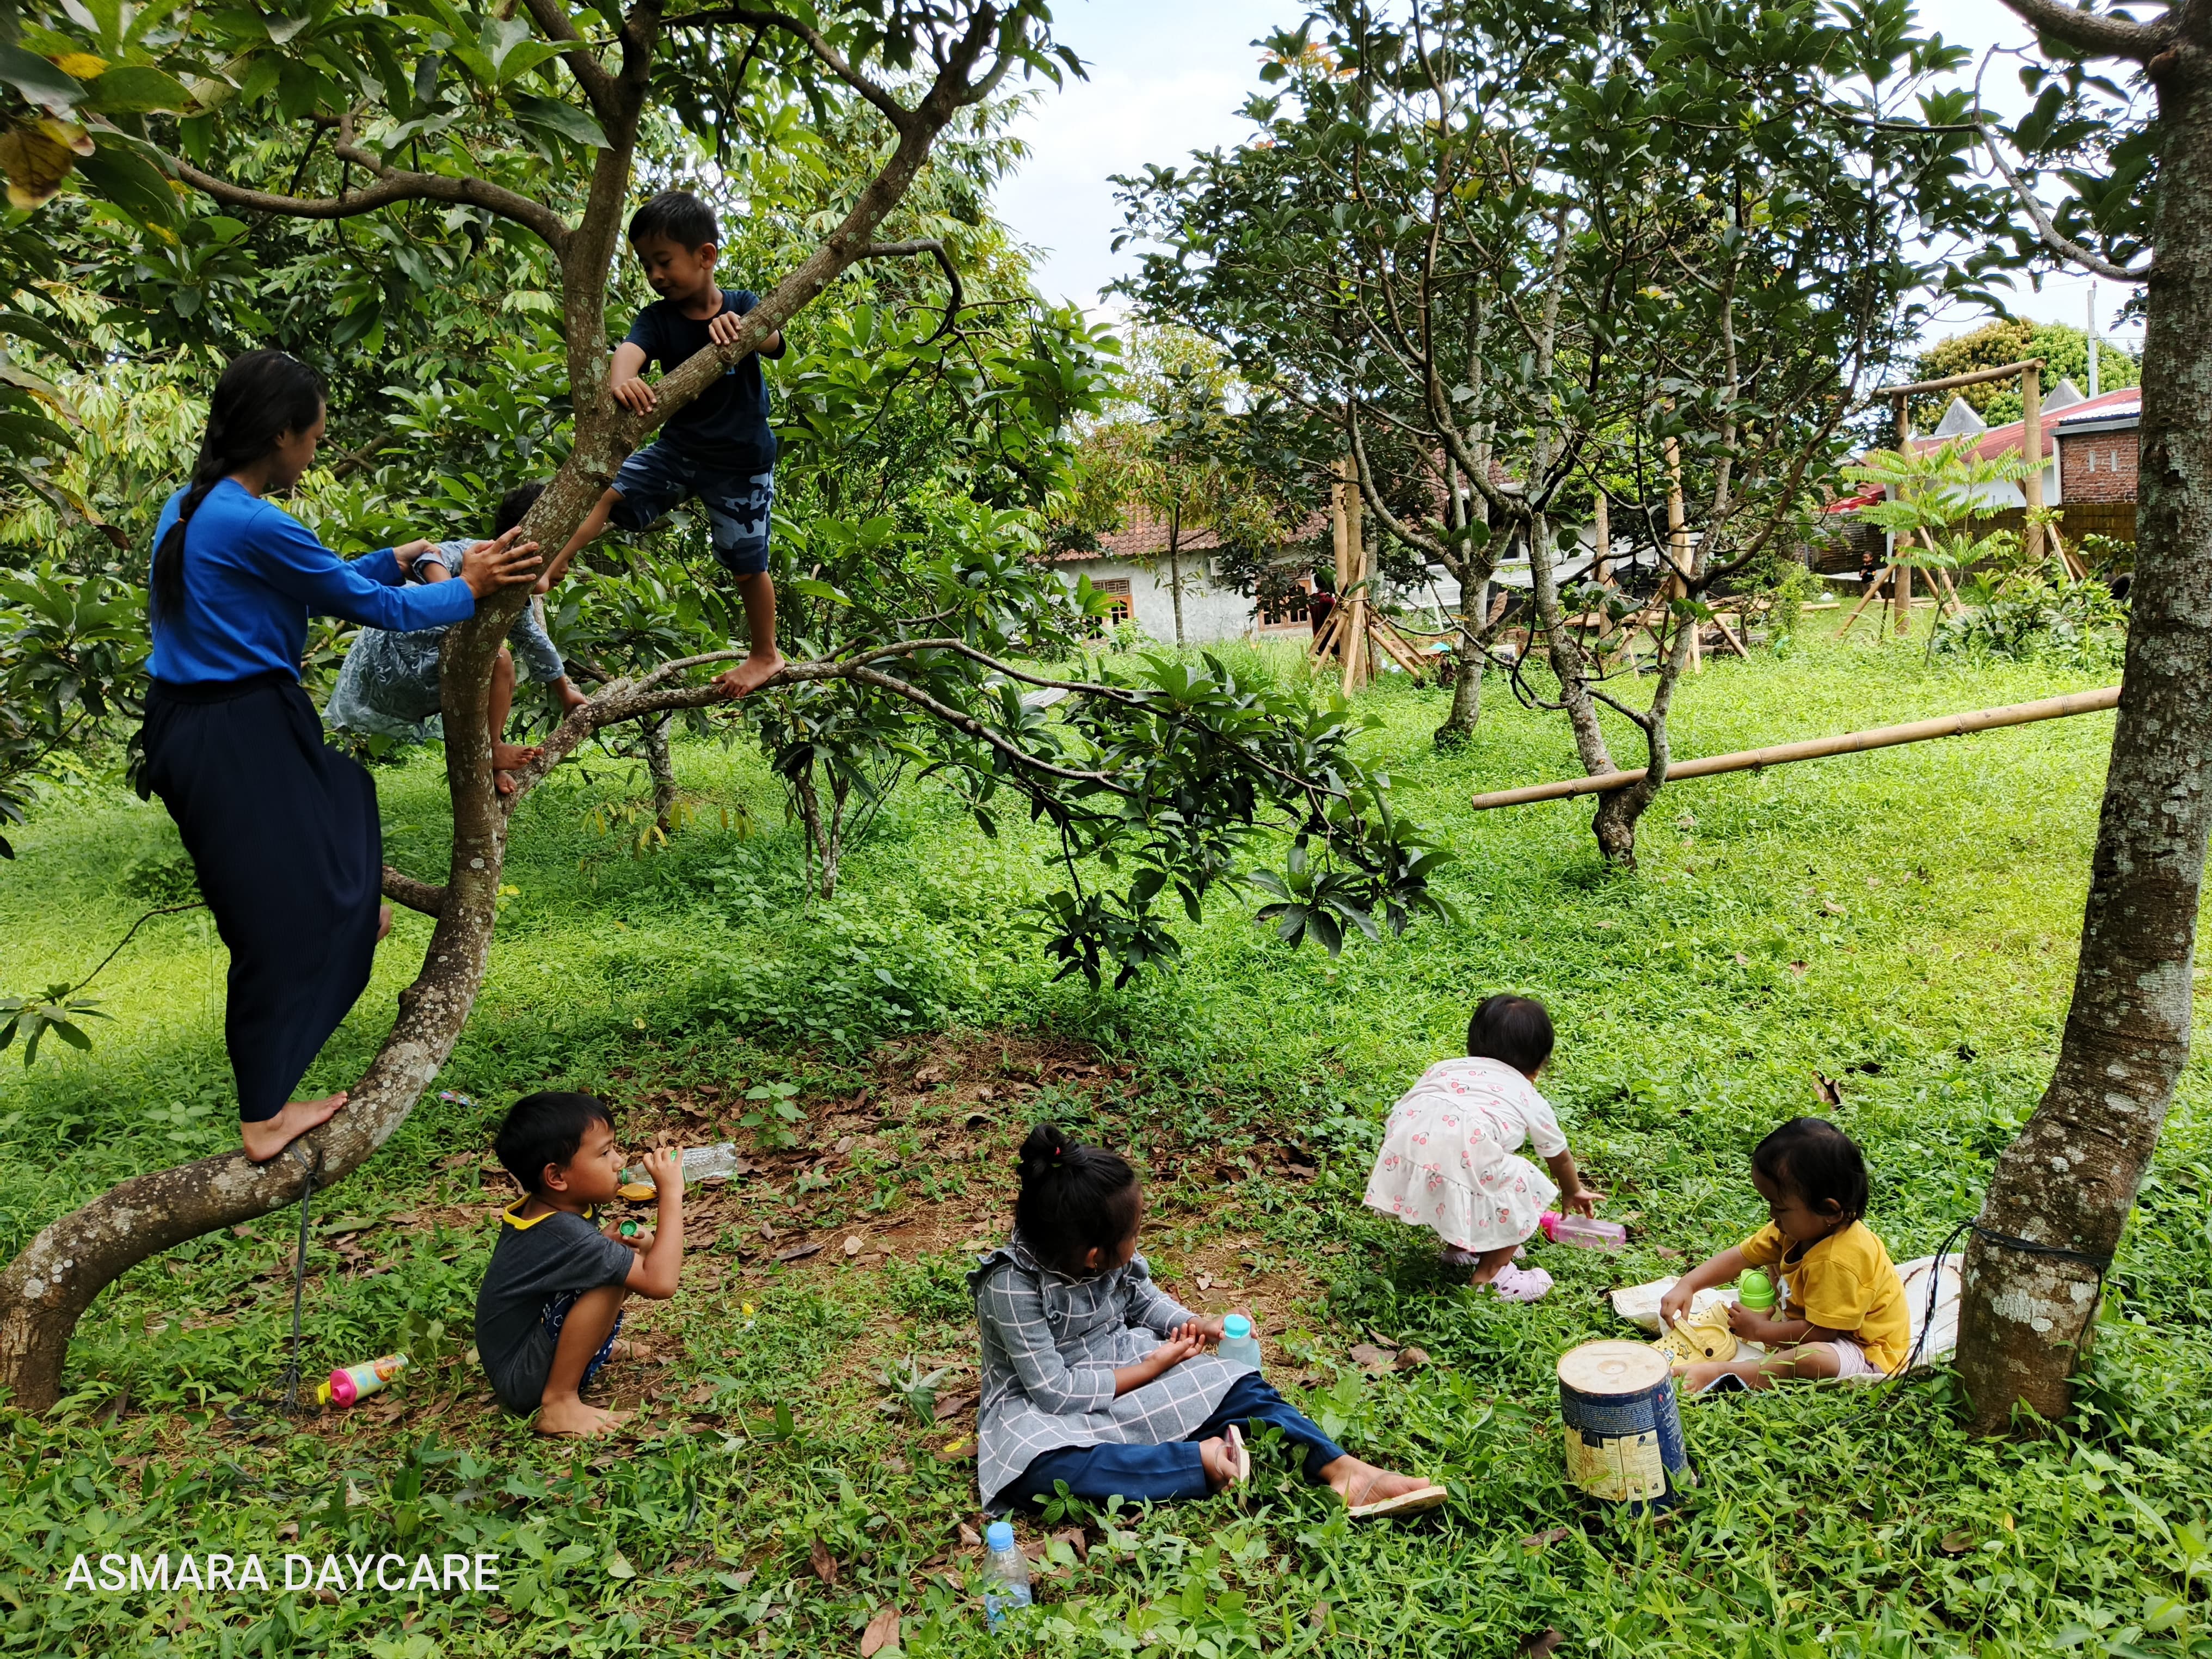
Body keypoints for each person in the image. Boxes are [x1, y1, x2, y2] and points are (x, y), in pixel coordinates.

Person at [139, 349, 540, 1163]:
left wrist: (383, 558)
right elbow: (380, 610)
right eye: (315, 435)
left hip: (210, 722)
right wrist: (473, 581)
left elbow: (310, 582)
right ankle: (264, 1117)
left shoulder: (193, 507)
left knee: (346, 793)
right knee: (270, 928)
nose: (318, 449)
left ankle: (349, 918)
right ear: (283, 434)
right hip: (237, 730)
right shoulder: (252, 519)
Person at [970, 1123, 1447, 1519]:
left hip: (1124, 1359)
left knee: (1238, 1386)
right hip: (1040, 1404)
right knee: (1036, 1469)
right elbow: (1052, 1391)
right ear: (1095, 1256)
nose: (1139, 1241)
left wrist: (1200, 1321)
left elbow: (1143, 1301)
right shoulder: (1011, 1286)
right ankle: (1197, 1460)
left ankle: (1345, 1471)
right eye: (1135, 1234)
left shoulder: (1095, 1251)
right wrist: (1154, 1368)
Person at [538, 189, 787, 699]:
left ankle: (765, 653)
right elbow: (630, 350)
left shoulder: (741, 305)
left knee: (747, 564)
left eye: (664, 261)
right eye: (646, 265)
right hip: (678, 452)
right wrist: (621, 380)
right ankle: (554, 559)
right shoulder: (657, 318)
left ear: (706, 255)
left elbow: (774, 341)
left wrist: (744, 330)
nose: (655, 275)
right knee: (605, 491)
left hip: (741, 464)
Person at [325, 483, 590, 792]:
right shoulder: (480, 553)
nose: (567, 569)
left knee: (493, 668)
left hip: (423, 674)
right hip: (395, 656)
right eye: (564, 555)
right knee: (498, 659)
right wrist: (458, 592)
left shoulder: (515, 594)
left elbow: (534, 640)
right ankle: (493, 746)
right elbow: (424, 557)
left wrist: (565, 692)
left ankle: (488, 759)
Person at [474, 1091, 688, 1435]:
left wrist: (636, 1243)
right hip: (522, 1377)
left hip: (525, 1352)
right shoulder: (563, 1231)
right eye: (604, 1153)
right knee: (612, 1272)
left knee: (615, 1256)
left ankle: (592, 1346)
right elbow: (661, 1283)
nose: (619, 1162)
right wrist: (671, 1194)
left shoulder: (553, 1208)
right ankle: (559, 1403)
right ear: (557, 1177)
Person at [1363, 993, 1603, 1300]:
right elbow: (1558, 1155)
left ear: (1473, 1045)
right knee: (1520, 1181)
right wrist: (1572, 1191)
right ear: (1539, 1064)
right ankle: (1492, 1277)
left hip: (1406, 1146)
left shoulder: (1445, 1067)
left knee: (1467, 1170)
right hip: (1460, 1146)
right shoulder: (1527, 1095)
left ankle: (1461, 1247)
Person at [1659, 1117, 1909, 1394]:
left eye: (1779, 1207)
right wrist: (1689, 1284)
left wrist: (1760, 1331)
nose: (1771, 1215)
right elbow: (1743, 1256)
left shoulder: (1839, 1259)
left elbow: (1821, 1333)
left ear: (1831, 1211)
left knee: (1814, 1358)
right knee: (1771, 1263)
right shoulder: (1796, 1230)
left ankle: (1723, 1374)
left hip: (1861, 1350)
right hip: (1814, 1327)